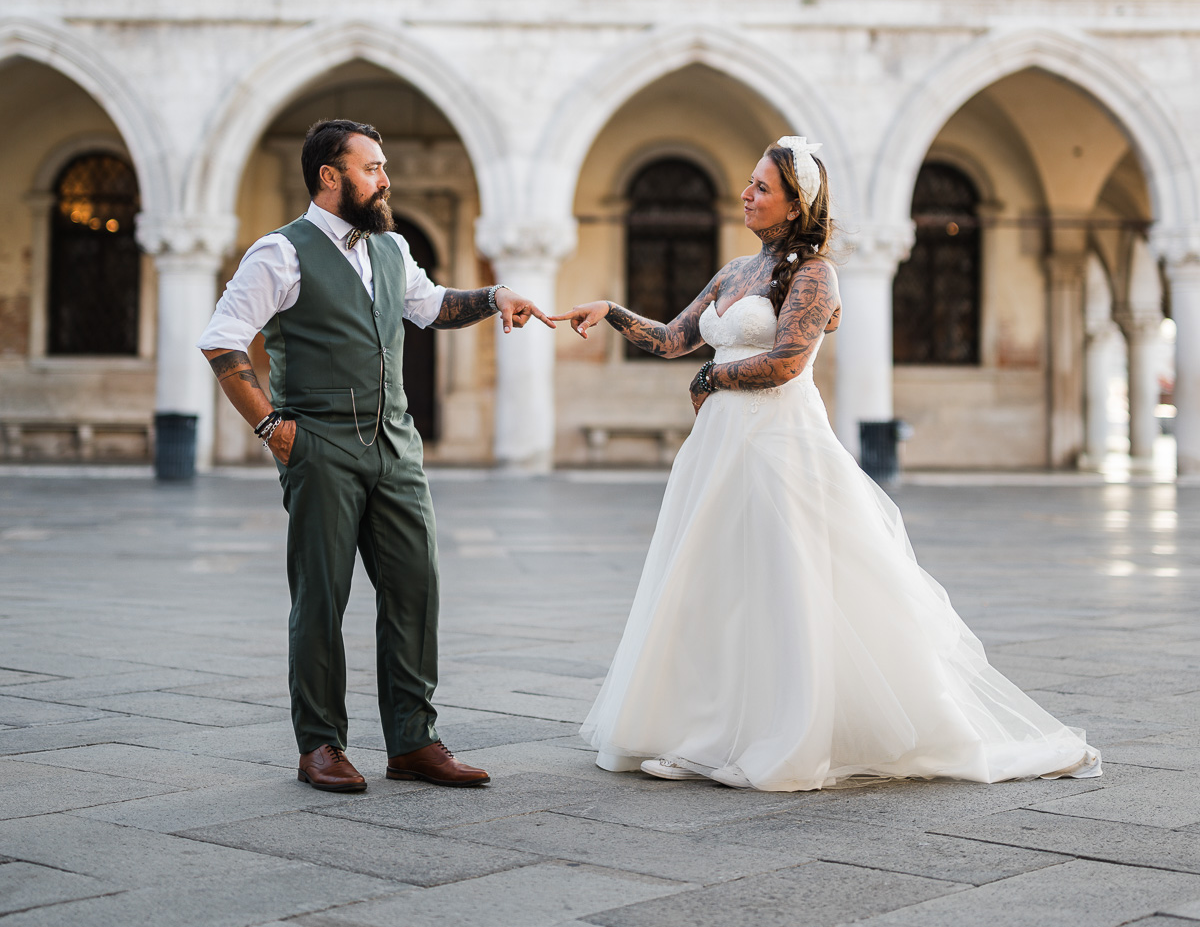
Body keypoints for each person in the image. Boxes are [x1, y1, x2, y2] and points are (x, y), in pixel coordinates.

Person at [556, 136, 1099, 792]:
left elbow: (787, 361)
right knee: (715, 585)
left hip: (780, 446)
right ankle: (704, 728)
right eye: (749, 183)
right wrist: (611, 312)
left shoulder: (815, 275)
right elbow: (675, 338)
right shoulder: (733, 273)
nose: (746, 194)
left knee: (782, 588)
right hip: (718, 451)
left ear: (794, 205)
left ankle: (772, 735)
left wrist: (711, 379)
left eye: (760, 187)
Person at [199, 117, 554, 794]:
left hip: (396, 443)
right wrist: (273, 426)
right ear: (330, 176)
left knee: (415, 590)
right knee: (321, 596)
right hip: (320, 443)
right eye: (372, 168)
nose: (385, 179)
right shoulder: (280, 252)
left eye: (384, 167)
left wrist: (495, 296)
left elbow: (429, 306)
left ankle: (413, 741)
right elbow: (223, 343)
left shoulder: (390, 247)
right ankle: (321, 745)